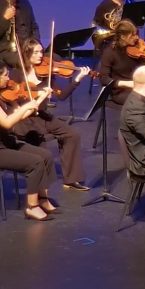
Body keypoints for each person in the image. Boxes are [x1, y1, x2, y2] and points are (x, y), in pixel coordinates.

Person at [8, 38, 91, 191]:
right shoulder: (16, 74)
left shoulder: (46, 74)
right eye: (37, 52)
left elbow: (62, 95)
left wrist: (77, 80)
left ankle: (71, 179)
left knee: (72, 135)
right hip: (25, 119)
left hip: (42, 115)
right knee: (42, 150)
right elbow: (11, 96)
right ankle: (40, 189)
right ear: (27, 54)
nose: (41, 55)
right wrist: (35, 95)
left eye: (42, 51)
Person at [0, 63, 58, 221]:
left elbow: (21, 115)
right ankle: (32, 207)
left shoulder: (4, 95)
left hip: (8, 142)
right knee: (35, 163)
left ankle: (42, 199)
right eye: (5, 75)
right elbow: (7, 123)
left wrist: (39, 99)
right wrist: (25, 106)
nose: (8, 78)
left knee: (45, 155)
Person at [99, 19, 145, 105]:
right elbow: (104, 79)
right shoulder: (109, 52)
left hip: (139, 86)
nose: (137, 38)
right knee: (143, 100)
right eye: (133, 35)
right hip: (121, 91)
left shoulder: (137, 49)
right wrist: (128, 84)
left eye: (137, 34)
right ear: (123, 37)